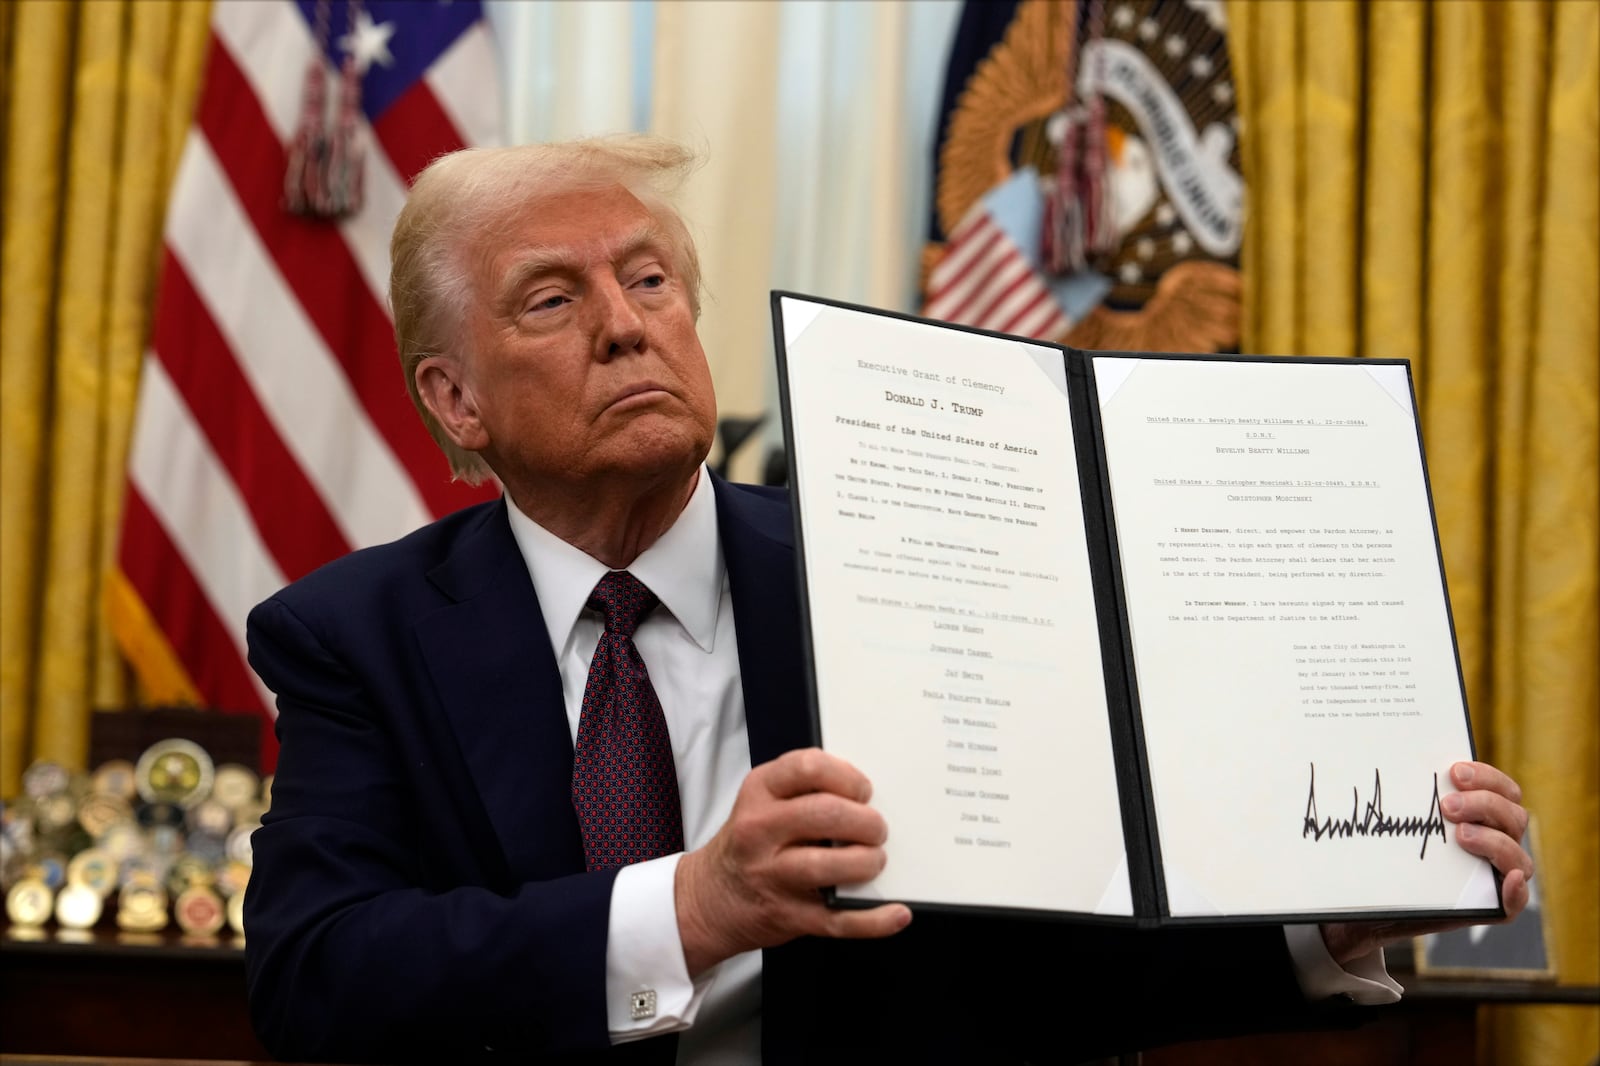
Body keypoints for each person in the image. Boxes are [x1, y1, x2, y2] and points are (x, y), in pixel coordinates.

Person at [243, 135, 1534, 1064]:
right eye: (551, 299)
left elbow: (1053, 954)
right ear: (454, 399)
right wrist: (689, 910)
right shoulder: (356, 635)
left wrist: (1329, 914)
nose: (626, 327)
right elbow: (315, 976)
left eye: (648, 281)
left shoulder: (902, 561)